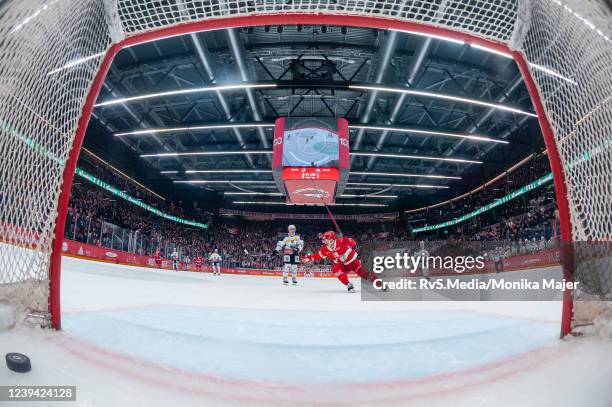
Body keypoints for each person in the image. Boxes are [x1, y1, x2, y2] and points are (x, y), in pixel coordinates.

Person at [302, 231, 380, 292]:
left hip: (352, 262)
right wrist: (309, 258)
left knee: (364, 273)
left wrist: (350, 241)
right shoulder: (324, 249)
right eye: (324, 239)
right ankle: (348, 285)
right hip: (340, 264)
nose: (324, 241)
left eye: (326, 239)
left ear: (332, 240)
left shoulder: (342, 241)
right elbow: (318, 255)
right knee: (335, 268)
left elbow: (353, 243)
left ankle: (379, 283)